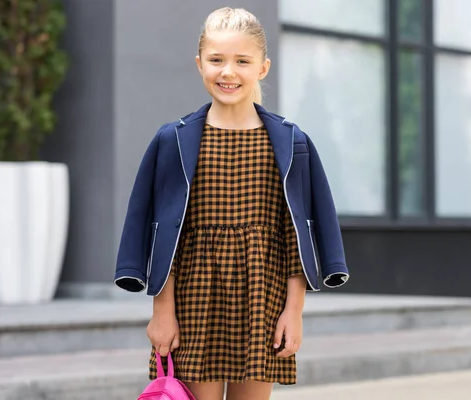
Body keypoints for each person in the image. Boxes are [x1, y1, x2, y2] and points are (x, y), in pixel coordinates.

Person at [114, 7, 349, 400]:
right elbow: (162, 230)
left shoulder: (291, 143)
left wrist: (294, 311)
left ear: (262, 67)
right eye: (216, 60)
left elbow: (296, 235)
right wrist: (162, 310)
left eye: (242, 61)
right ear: (199, 64)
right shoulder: (173, 140)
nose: (228, 71)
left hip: (263, 300)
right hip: (194, 301)